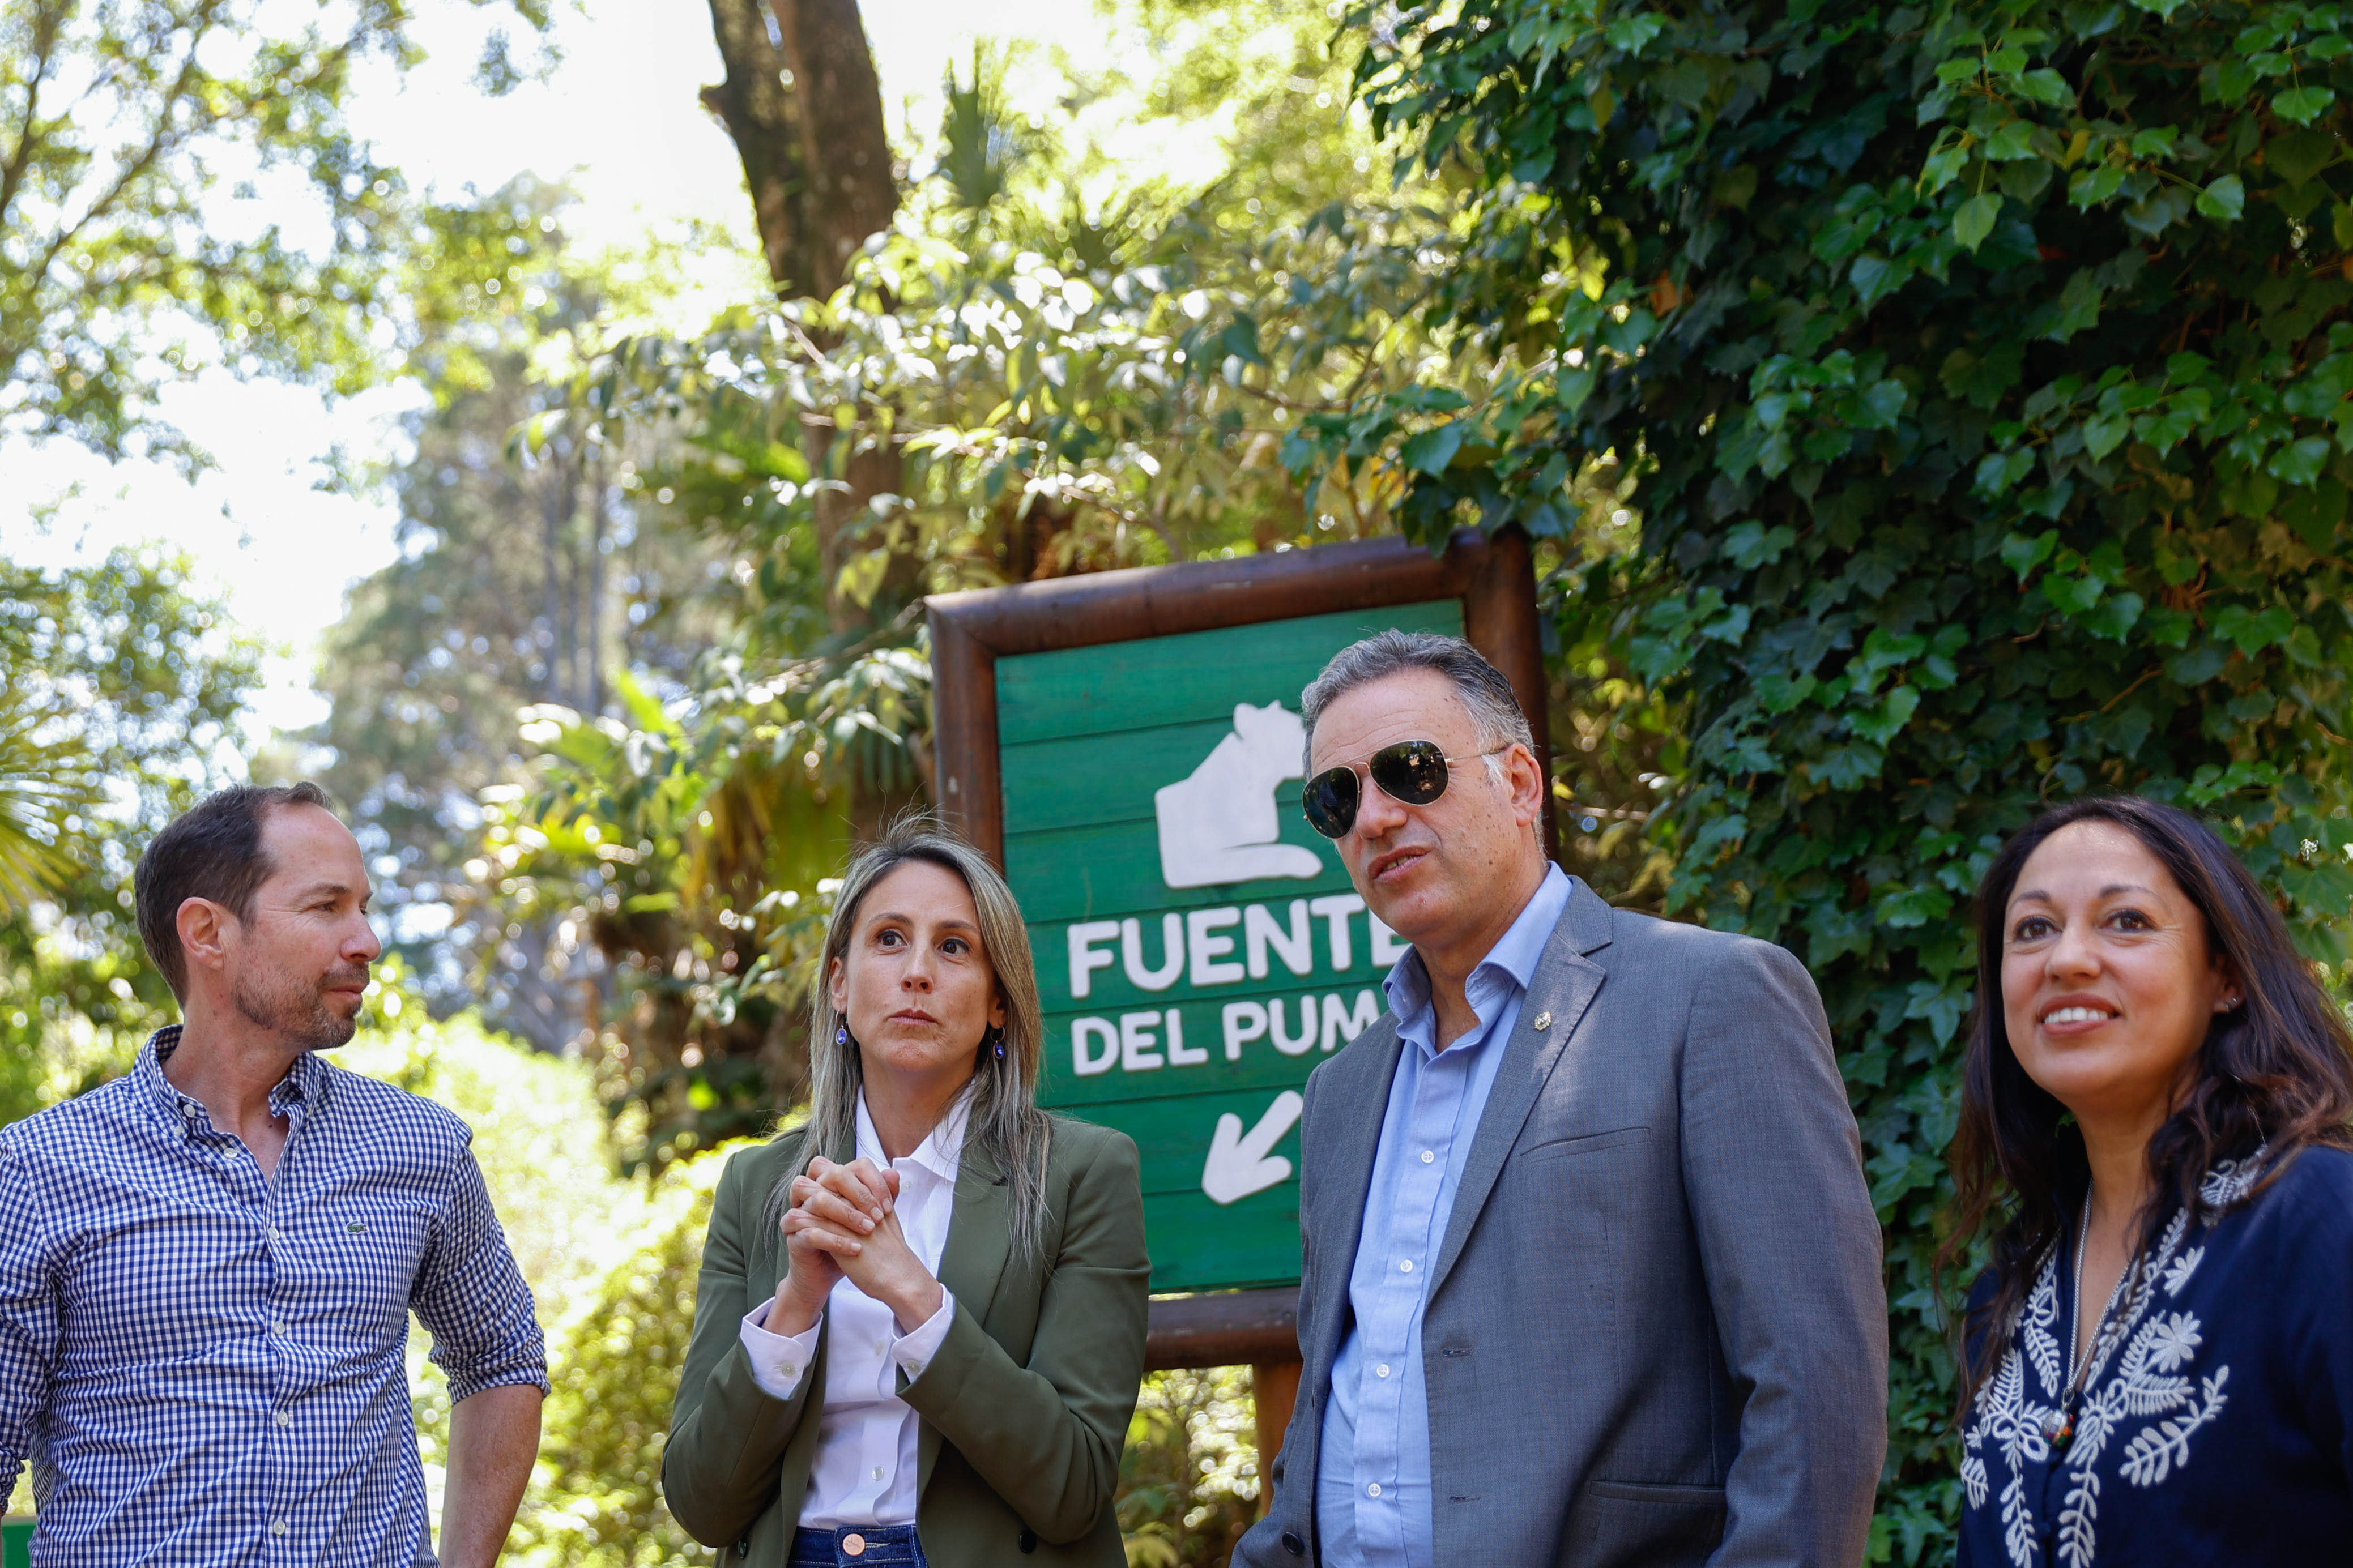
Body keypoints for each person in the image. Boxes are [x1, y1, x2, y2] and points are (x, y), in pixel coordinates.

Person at [1235, 631, 1887, 1568]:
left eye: (1410, 771)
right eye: (1337, 797)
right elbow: (1332, 1409)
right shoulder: (1340, 1094)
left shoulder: (1711, 998)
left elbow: (1814, 1386)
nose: (1374, 816)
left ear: (1521, 785)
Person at [0, 782, 547, 1566]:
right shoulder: (39, 1169)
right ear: (207, 932)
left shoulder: (420, 1146)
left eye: (364, 905)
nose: (367, 940)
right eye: (327, 907)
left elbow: (502, 1359)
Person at [664, 821, 1150, 1568]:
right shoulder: (759, 1185)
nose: (916, 970)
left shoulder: (1082, 1173)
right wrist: (796, 1304)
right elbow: (702, 1502)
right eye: (889, 938)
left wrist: (913, 1296)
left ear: (997, 1001)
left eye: (954, 946)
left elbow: (1073, 1485)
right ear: (838, 982)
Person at [1947, 796, 2353, 1566]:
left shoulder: (2318, 1219)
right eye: (2030, 928)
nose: (2065, 958)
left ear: (2224, 976)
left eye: (2124, 920)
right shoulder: (2010, 1286)